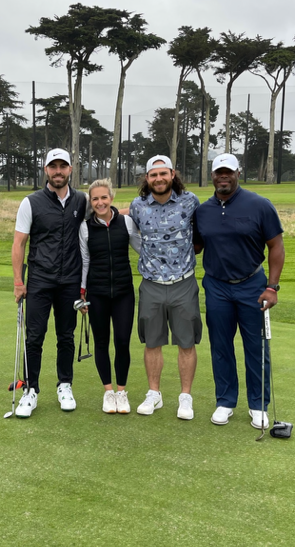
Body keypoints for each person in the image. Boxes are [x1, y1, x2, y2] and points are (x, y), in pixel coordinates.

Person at [193, 152, 285, 429]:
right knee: (221, 347)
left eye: (228, 171)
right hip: (216, 286)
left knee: (256, 348)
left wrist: (272, 286)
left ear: (237, 174)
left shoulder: (259, 205)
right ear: (212, 175)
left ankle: (258, 405)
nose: (224, 176)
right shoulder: (202, 210)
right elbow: (196, 246)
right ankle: (225, 401)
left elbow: (276, 247)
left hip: (252, 286)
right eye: (219, 171)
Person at [12, 149, 87, 418]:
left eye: (62, 166)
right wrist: (19, 282)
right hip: (40, 281)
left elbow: (104, 212)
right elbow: (19, 242)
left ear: (70, 169)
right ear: (46, 170)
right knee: (35, 337)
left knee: (66, 336)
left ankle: (65, 384)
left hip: (70, 281)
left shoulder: (82, 199)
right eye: (53, 166)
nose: (58, 171)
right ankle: (30, 390)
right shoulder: (31, 202)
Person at [129, 155, 202, 420]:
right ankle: (154, 394)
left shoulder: (189, 201)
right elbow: (132, 233)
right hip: (151, 284)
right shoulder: (138, 205)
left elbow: (201, 234)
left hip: (183, 282)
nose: (158, 179)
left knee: (186, 342)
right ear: (146, 179)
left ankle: (185, 397)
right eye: (153, 175)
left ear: (173, 174)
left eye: (163, 173)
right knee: (152, 342)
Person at [79, 179, 141, 414]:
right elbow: (85, 261)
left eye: (104, 197)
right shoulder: (85, 227)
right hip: (97, 294)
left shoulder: (125, 222)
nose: (100, 202)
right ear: (91, 201)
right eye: (95, 199)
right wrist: (82, 292)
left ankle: (122, 392)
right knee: (101, 343)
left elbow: (141, 249)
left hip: (124, 292)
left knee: (123, 342)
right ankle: (108, 392)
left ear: (111, 198)